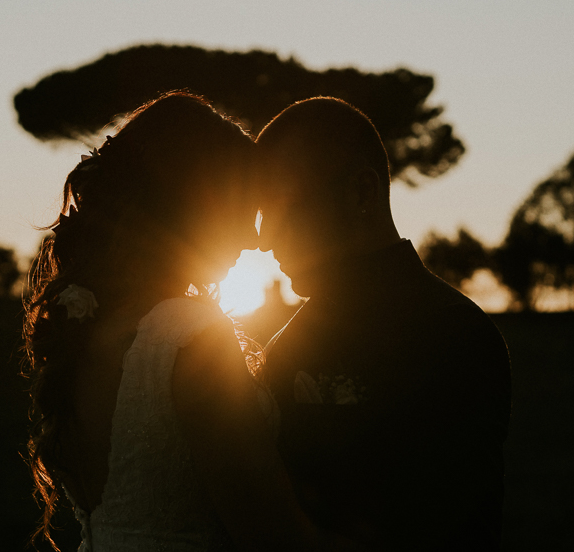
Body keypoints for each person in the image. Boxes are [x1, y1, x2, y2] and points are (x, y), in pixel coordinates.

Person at [22, 93, 343, 552]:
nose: (255, 239)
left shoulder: (89, 327)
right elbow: (276, 538)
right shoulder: (189, 337)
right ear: (196, 203)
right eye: (242, 206)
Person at [256, 97, 513, 550]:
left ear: (361, 193)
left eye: (283, 206)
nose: (264, 238)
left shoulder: (458, 337)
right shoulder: (285, 346)